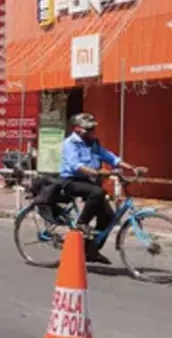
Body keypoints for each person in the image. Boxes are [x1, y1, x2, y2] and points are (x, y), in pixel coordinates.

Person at [58, 112, 146, 264]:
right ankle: (81, 223)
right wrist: (98, 172)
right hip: (71, 181)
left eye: (93, 129)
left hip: (89, 182)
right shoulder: (70, 143)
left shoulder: (93, 143)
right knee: (98, 192)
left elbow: (111, 157)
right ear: (78, 129)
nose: (92, 132)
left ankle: (91, 251)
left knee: (109, 218)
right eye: (88, 129)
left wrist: (132, 168)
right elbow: (76, 165)